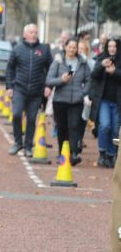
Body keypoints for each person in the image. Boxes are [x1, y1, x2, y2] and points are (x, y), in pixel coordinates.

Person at [5, 24, 53, 156]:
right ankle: (18, 142)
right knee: (16, 115)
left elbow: (51, 68)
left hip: (37, 91)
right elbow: (10, 68)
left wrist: (48, 85)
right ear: (25, 34)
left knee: (31, 119)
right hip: (19, 88)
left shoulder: (44, 49)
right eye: (31, 32)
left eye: (35, 32)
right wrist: (9, 86)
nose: (33, 35)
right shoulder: (17, 49)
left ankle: (28, 146)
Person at [46, 38, 91, 166]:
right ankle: (62, 154)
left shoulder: (82, 62)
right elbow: (49, 80)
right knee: (62, 128)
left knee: (74, 126)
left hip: (76, 101)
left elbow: (89, 79)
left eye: (74, 47)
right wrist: (61, 80)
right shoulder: (58, 61)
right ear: (65, 47)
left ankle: (73, 154)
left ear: (77, 49)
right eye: (70, 47)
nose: (72, 49)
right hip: (60, 100)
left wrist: (83, 92)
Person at [89, 37, 120, 167]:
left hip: (118, 102)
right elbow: (94, 75)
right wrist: (101, 65)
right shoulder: (102, 58)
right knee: (104, 126)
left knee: (115, 130)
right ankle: (102, 152)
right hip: (104, 101)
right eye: (110, 46)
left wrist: (115, 72)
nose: (112, 49)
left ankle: (112, 154)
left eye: (114, 46)